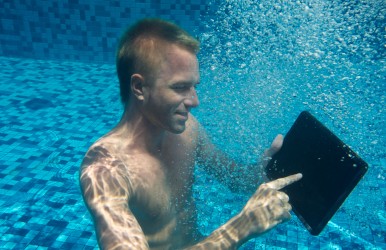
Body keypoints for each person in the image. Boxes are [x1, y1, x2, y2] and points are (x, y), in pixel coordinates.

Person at [79, 18, 302, 250]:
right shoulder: (105, 168)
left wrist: (266, 170)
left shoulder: (187, 130)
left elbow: (234, 180)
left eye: (194, 86)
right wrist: (241, 228)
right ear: (139, 88)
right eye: (179, 87)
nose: (194, 101)